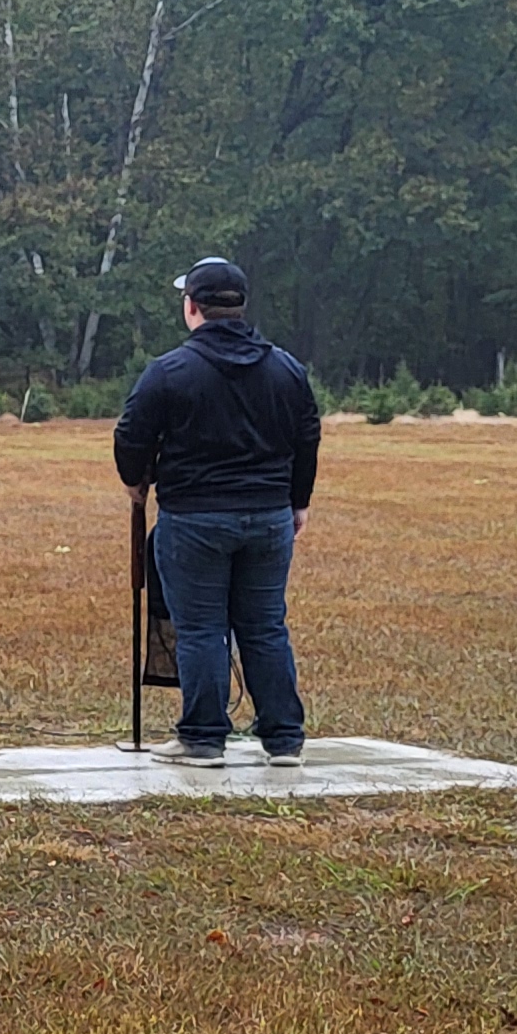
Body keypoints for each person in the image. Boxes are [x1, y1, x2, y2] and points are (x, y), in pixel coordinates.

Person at [113, 255, 319, 766]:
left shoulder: (169, 371)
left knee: (202, 627)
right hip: (269, 517)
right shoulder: (285, 368)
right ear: (240, 307)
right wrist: (298, 500)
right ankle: (283, 737)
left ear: (192, 308)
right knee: (265, 625)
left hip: (194, 519)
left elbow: (130, 435)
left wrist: (136, 482)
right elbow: (307, 434)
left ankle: (203, 737)